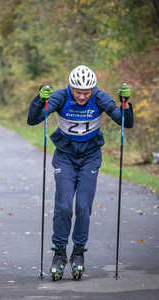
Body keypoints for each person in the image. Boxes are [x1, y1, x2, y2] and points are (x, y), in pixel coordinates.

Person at [27, 65, 134, 280]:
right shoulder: (60, 97)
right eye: (78, 92)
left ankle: (78, 252)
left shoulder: (99, 98)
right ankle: (59, 253)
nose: (83, 96)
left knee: (83, 206)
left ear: (93, 89)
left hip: (90, 157)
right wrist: (39, 99)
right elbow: (33, 119)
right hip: (65, 156)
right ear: (71, 87)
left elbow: (126, 123)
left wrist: (126, 105)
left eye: (87, 92)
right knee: (64, 205)